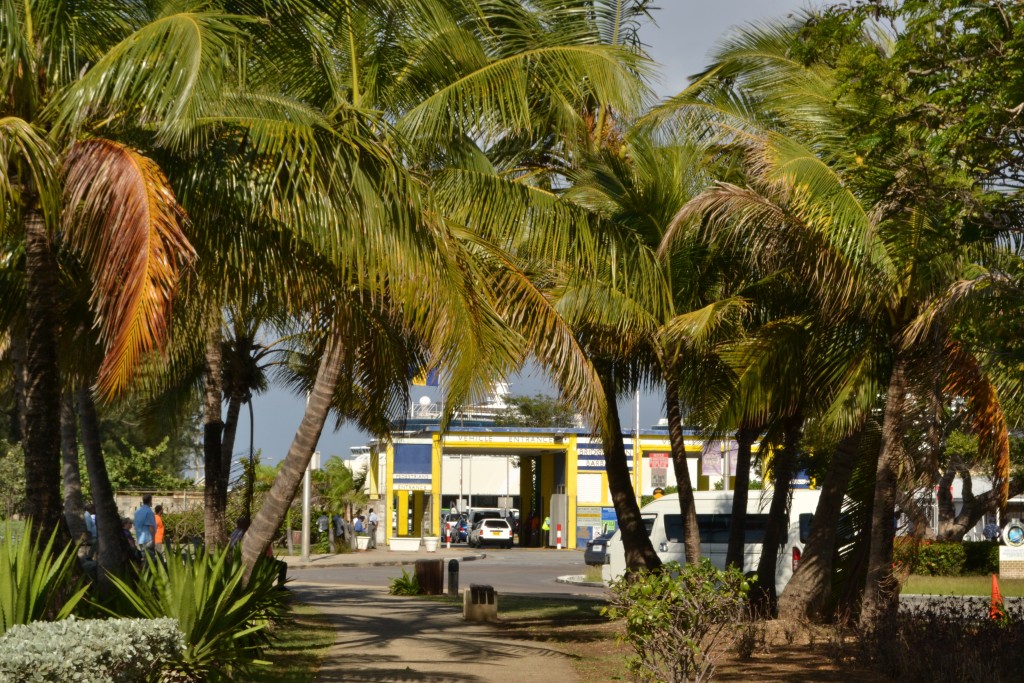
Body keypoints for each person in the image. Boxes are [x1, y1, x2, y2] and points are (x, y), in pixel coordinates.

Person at [229, 516, 288, 589]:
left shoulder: (235, 532)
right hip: (258, 558)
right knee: (281, 566)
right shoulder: (247, 533)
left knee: (279, 566)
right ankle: (279, 587)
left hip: (255, 558)